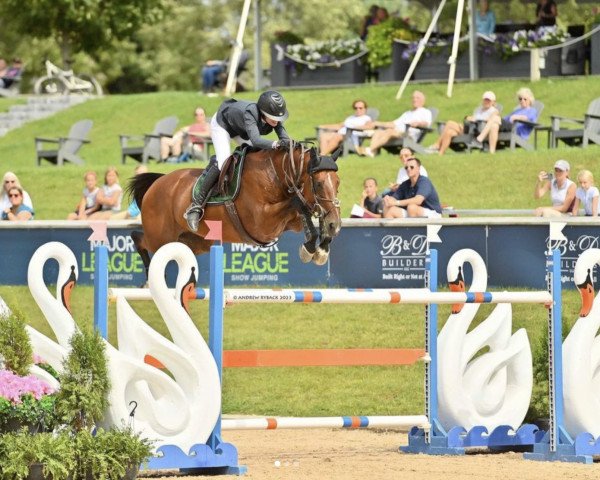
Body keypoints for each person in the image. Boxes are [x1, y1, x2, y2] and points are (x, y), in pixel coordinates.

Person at [184, 90, 291, 232]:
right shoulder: (251, 113)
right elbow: (257, 140)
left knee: (258, 155)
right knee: (223, 162)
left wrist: (290, 145)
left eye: (278, 118)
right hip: (223, 125)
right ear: (263, 112)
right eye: (273, 118)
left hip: (241, 130)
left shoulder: (275, 118)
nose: (276, 122)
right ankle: (195, 206)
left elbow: (285, 139)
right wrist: (276, 144)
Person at [358, 91, 432, 158]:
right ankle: (373, 152)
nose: (414, 100)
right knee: (378, 132)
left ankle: (369, 149)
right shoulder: (407, 113)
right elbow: (393, 124)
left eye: (417, 98)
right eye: (413, 98)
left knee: (390, 131)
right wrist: (376, 123)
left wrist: (418, 123)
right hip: (397, 133)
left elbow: (426, 123)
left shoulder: (425, 112)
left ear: (423, 100)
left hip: (409, 135)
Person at [468, 87, 538, 154]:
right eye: (520, 99)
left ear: (530, 100)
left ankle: (479, 139)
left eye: (525, 99)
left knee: (495, 117)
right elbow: (505, 119)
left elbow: (529, 119)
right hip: (508, 126)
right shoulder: (517, 110)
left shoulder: (532, 110)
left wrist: (517, 117)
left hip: (516, 130)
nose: (522, 101)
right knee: (494, 125)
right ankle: (491, 152)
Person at [426, 91, 499, 155]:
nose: (486, 102)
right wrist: (469, 118)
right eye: (485, 100)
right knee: (449, 132)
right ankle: (440, 153)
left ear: (493, 102)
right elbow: (473, 118)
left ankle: (437, 144)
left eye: (488, 100)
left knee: (450, 123)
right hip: (469, 127)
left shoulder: (494, 111)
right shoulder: (478, 109)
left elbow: (490, 119)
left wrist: (475, 119)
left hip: (476, 131)